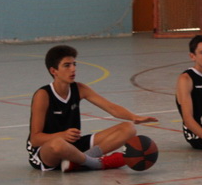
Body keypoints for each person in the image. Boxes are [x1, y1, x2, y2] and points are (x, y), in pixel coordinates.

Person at [27, 44, 158, 172]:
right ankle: (95, 163)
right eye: (67, 65)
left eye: (74, 64)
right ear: (53, 71)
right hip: (47, 151)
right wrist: (62, 135)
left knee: (129, 128)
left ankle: (80, 160)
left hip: (73, 144)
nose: (73, 69)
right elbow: (35, 139)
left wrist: (133, 117)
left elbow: (111, 108)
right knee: (58, 143)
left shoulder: (79, 88)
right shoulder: (43, 95)